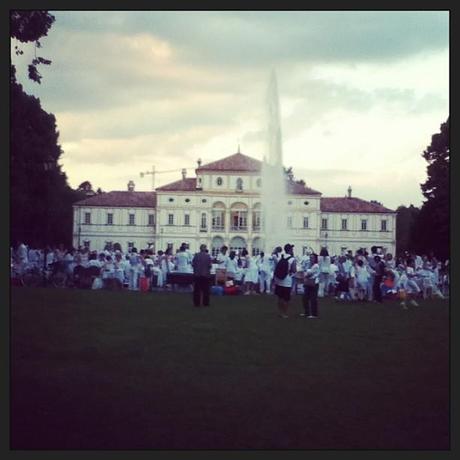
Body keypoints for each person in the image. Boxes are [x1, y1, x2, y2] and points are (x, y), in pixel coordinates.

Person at [273, 244, 297, 318]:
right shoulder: (292, 259)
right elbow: (294, 270)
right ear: (290, 250)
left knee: (280, 297)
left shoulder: (281, 257)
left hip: (279, 279)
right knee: (286, 298)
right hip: (287, 280)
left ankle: (280, 312)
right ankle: (285, 313)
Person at [301, 253, 320, 318]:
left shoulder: (316, 266)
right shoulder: (309, 265)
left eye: (312, 257)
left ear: (315, 259)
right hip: (308, 283)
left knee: (313, 299)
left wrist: (305, 273)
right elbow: (305, 272)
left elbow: (308, 274)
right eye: (310, 257)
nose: (311, 259)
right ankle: (307, 312)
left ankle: (314, 314)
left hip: (314, 284)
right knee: (305, 298)